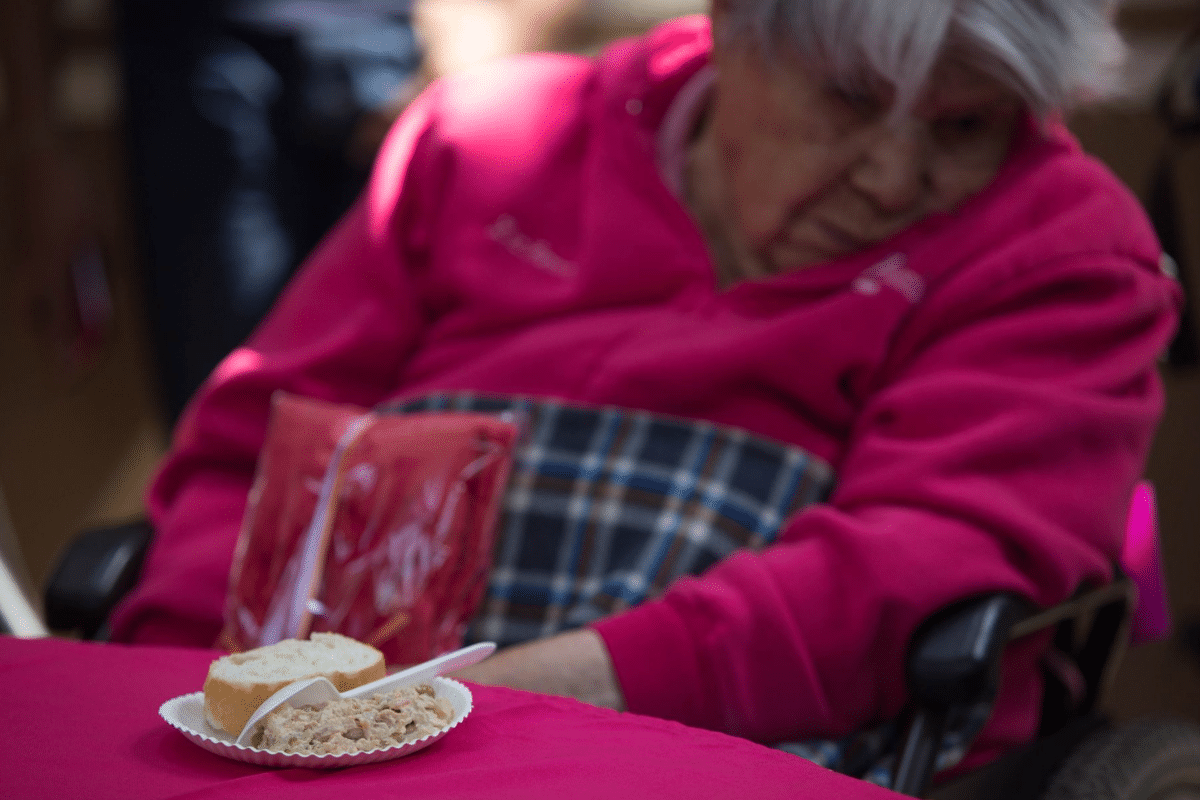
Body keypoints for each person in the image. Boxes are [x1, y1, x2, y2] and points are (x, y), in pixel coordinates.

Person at [110, 0, 1182, 779]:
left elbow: (917, 563)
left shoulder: (1064, 247)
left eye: (966, 127)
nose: (896, 180)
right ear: (732, 25)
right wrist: (194, 696)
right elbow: (249, 454)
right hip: (326, 739)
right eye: (852, 100)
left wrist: (488, 703)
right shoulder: (490, 138)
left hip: (727, 743)